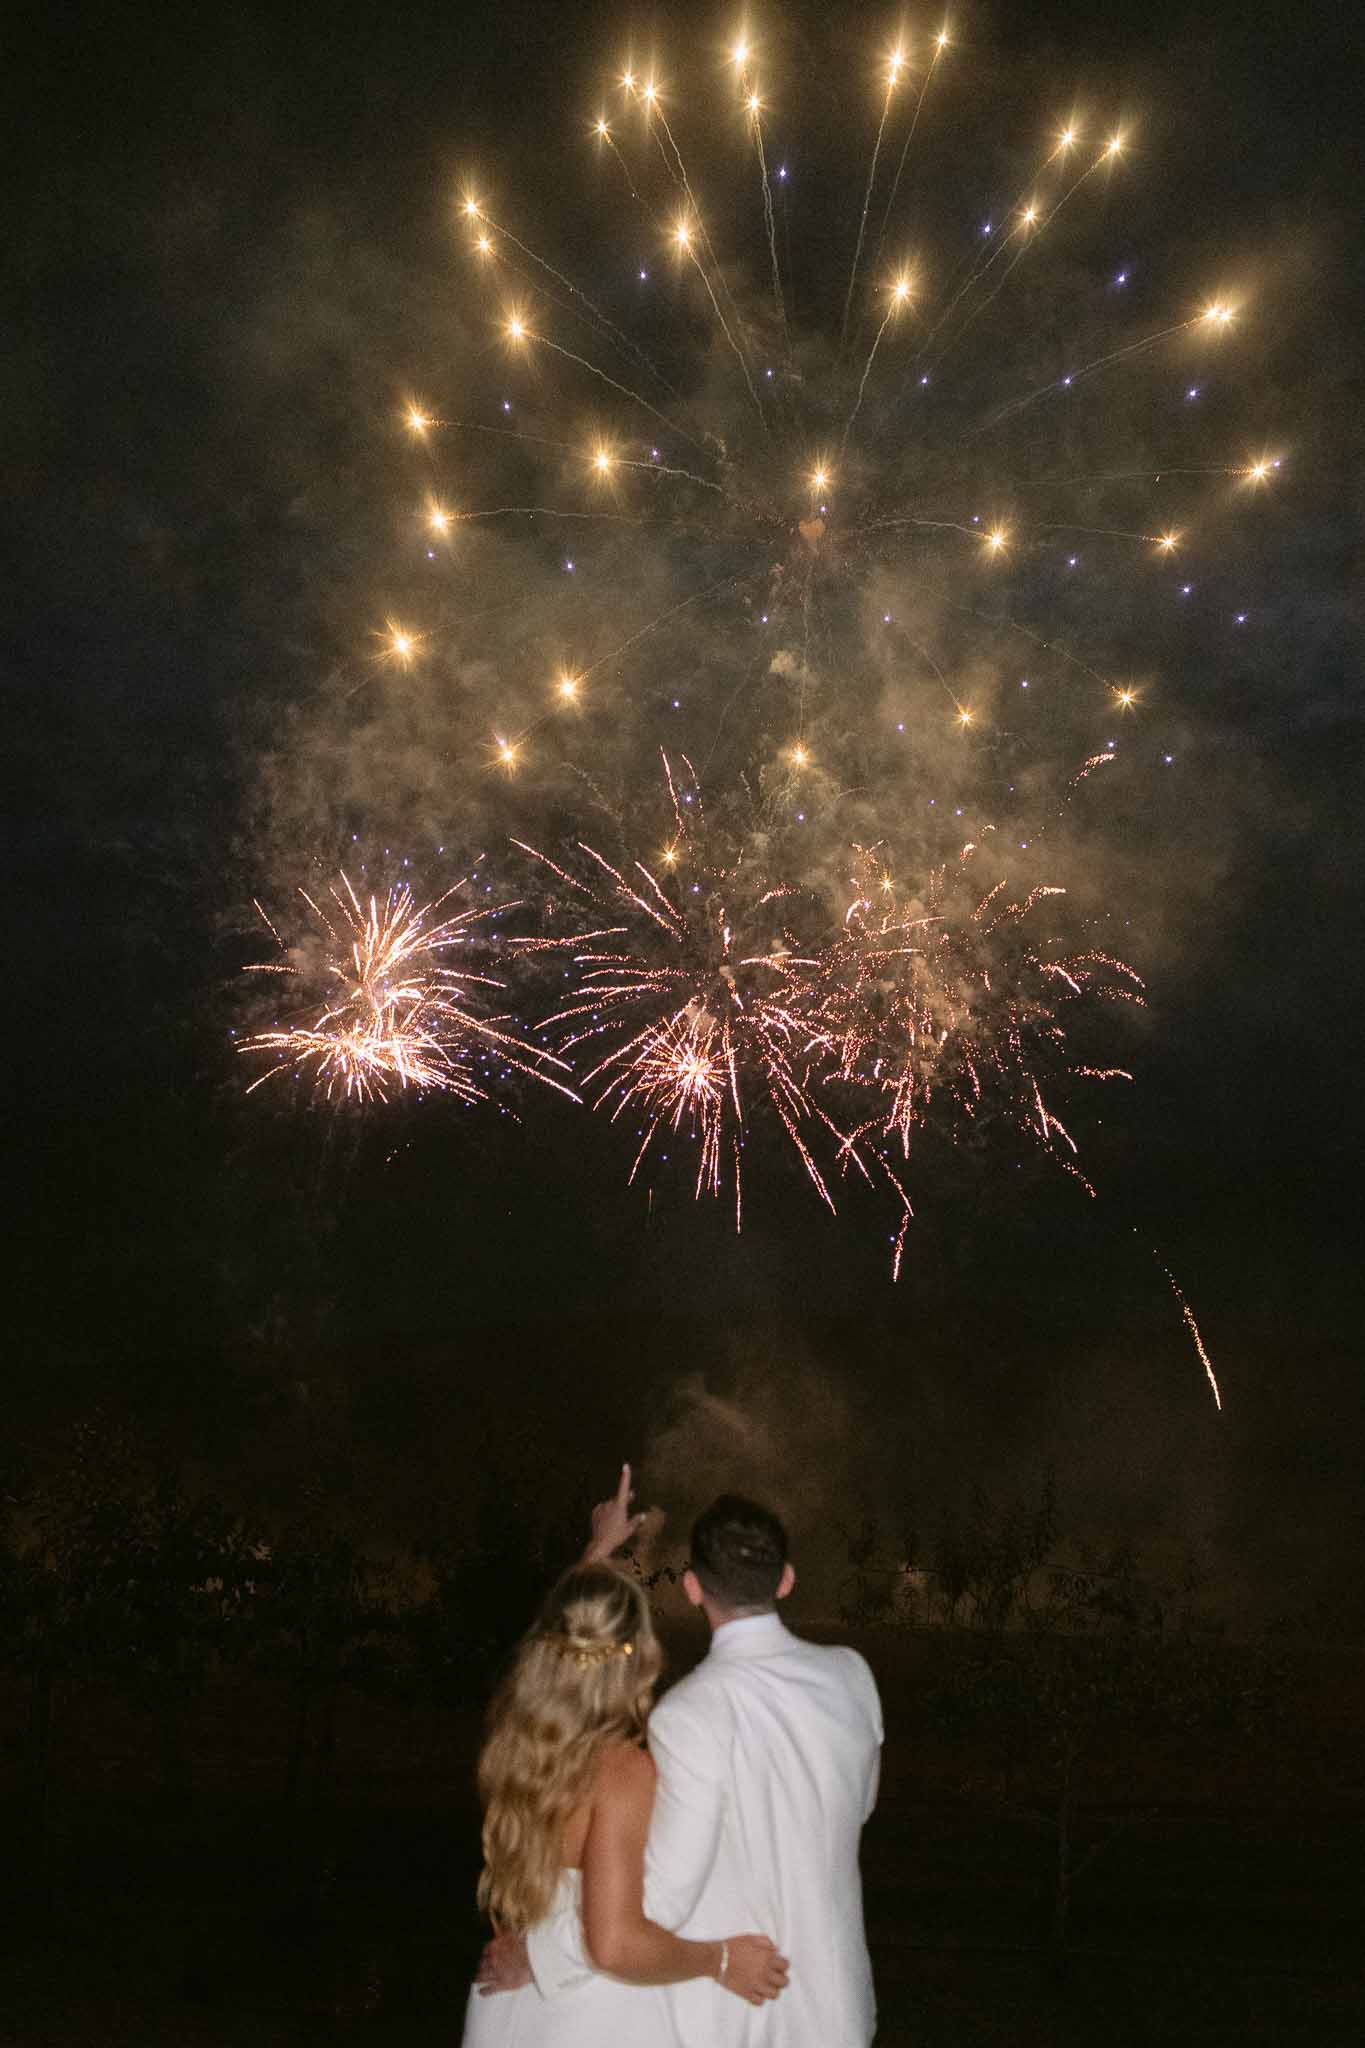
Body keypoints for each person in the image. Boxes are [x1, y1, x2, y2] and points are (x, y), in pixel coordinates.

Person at [478, 1473, 884, 2045]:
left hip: (736, 2008)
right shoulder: (853, 1676)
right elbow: (853, 1808)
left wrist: (541, 1956)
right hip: (836, 2009)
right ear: (787, 1579)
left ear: (692, 1588)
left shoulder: (684, 1715)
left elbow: (662, 1891)